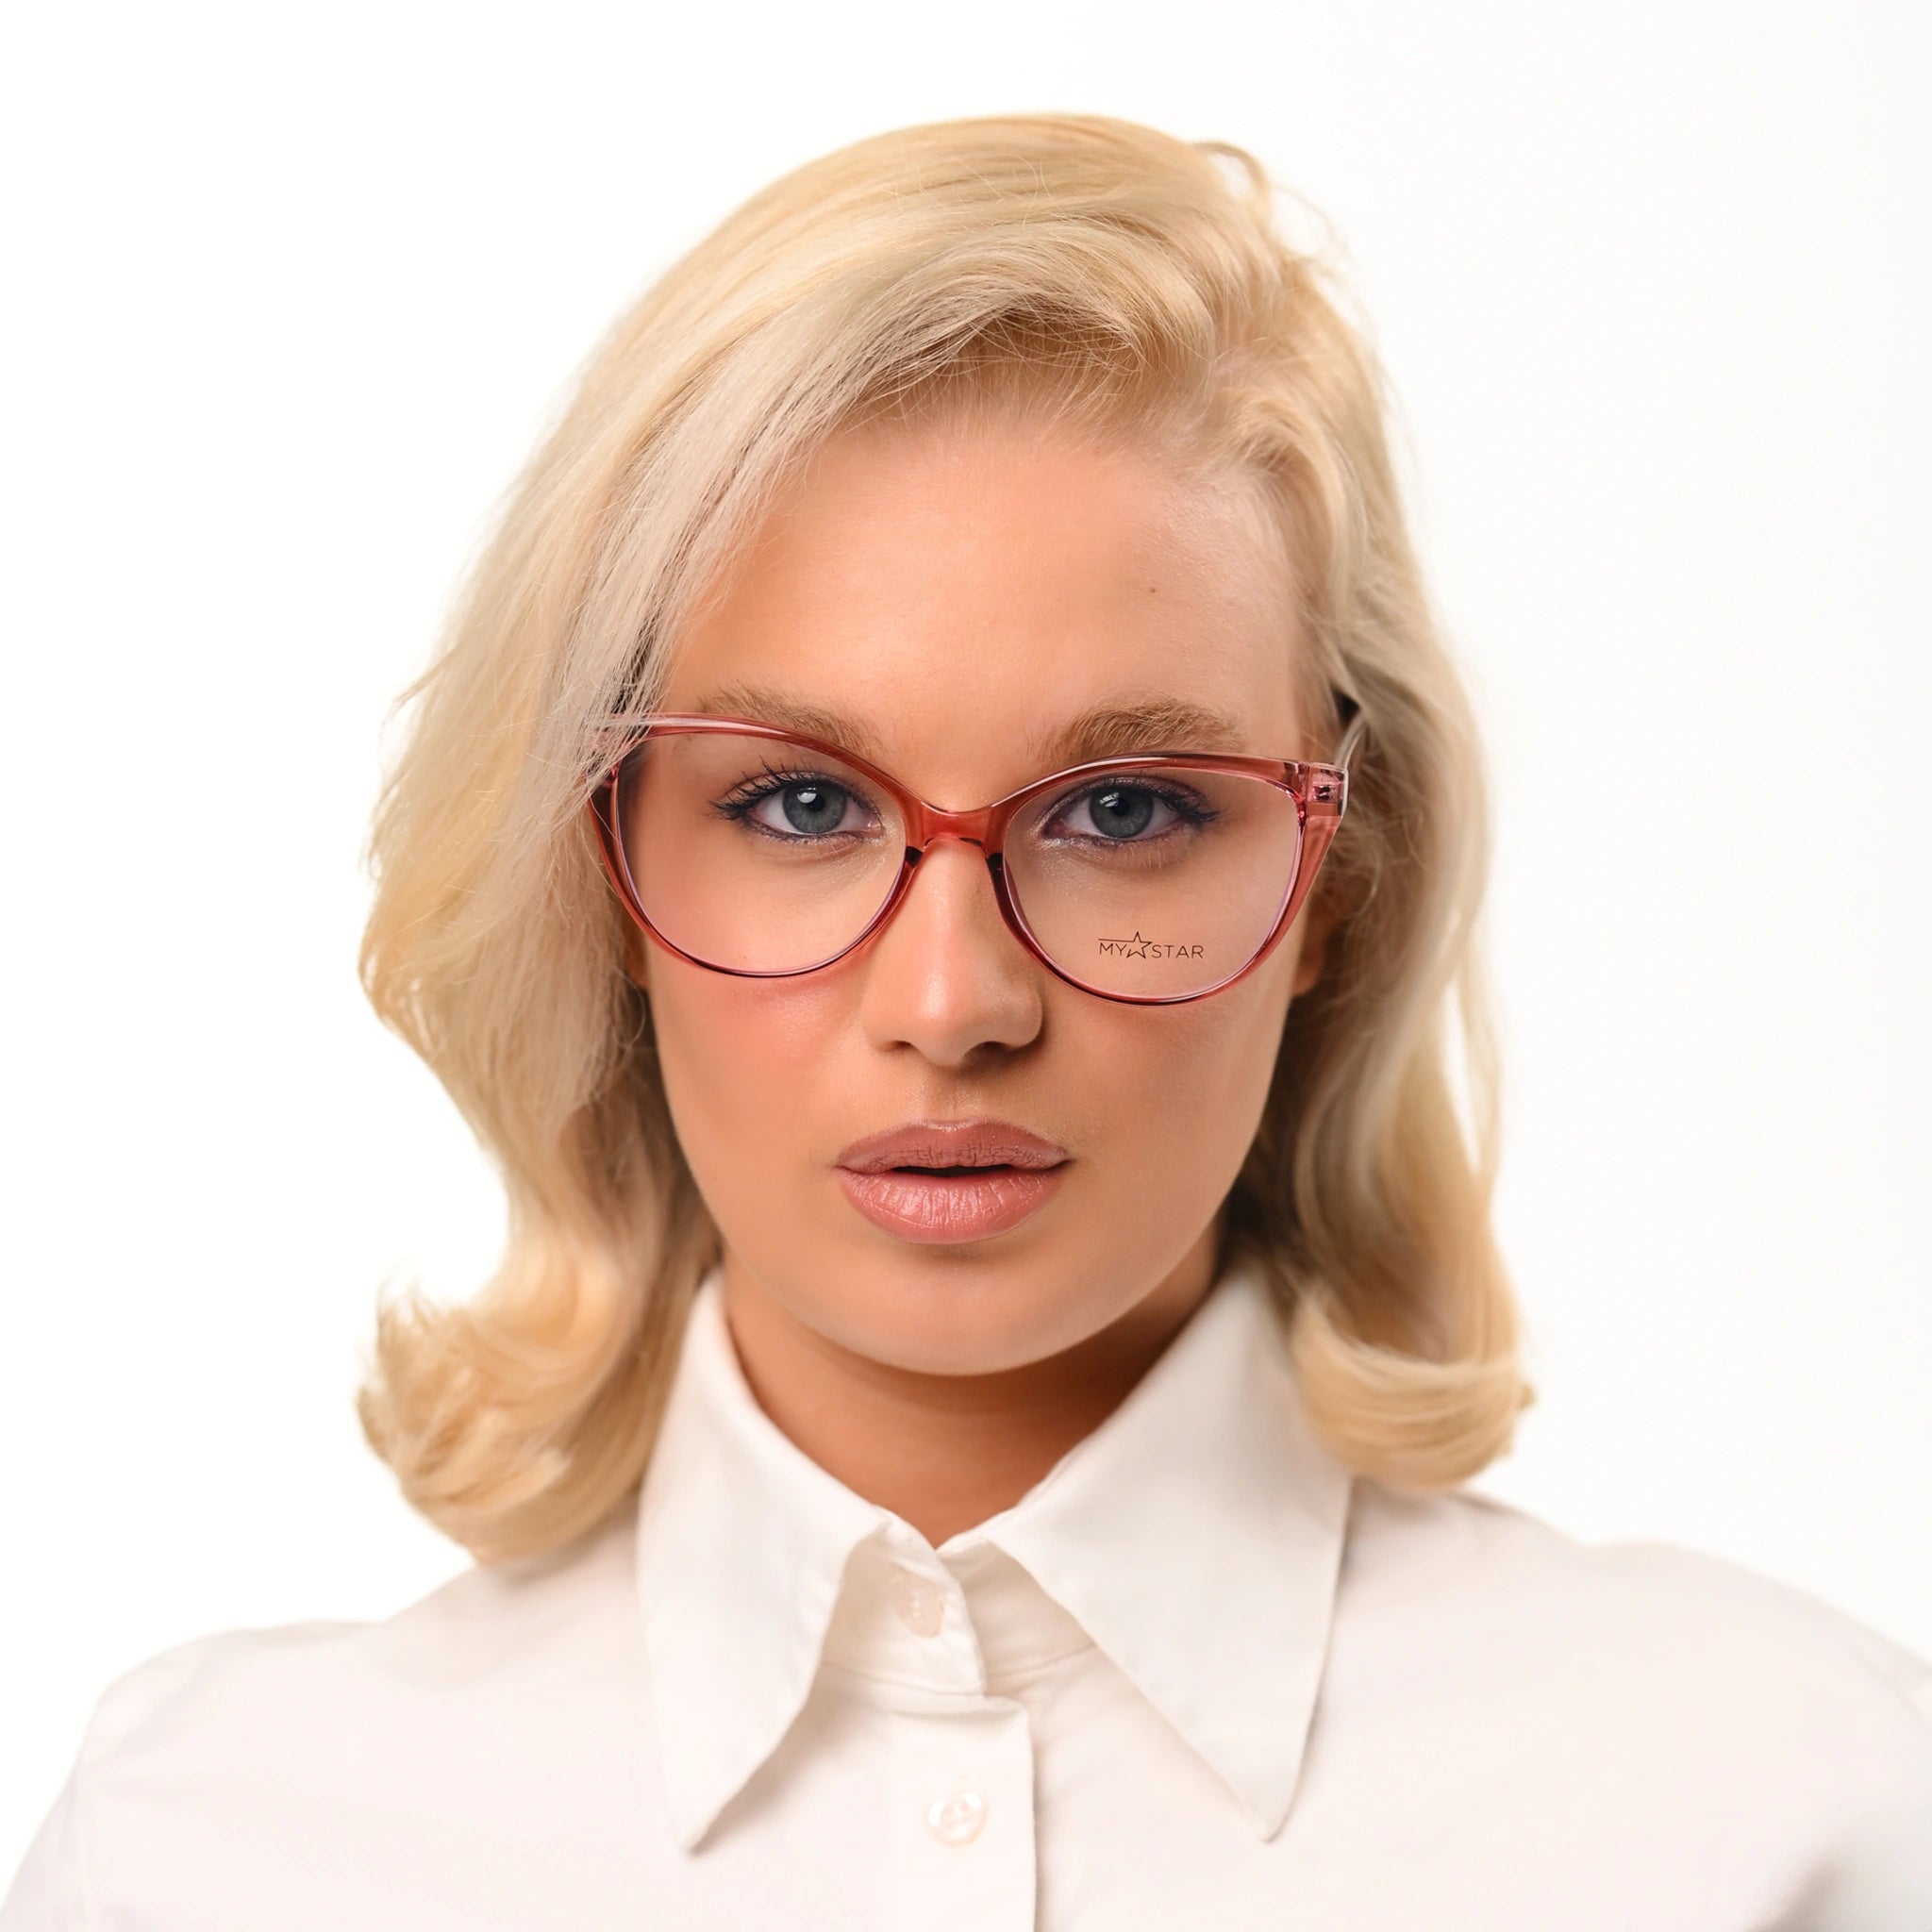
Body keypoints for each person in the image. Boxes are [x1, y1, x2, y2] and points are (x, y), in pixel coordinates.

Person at [5, 110, 1927, 1931]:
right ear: (600, 869)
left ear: (1334, 881)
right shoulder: (211, 1845)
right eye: (799, 802)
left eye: (1125, 811)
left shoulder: (1784, 1810)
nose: (953, 1005)